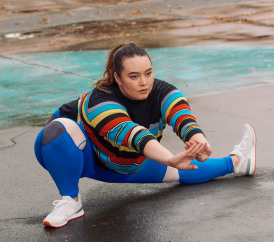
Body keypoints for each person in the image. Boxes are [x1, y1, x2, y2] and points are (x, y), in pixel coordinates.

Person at [34, 43, 256, 228]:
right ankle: (71, 201)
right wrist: (169, 158)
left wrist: (198, 140)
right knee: (60, 129)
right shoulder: (99, 100)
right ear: (117, 78)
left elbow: (183, 117)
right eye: (134, 76)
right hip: (81, 155)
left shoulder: (162, 91)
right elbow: (132, 134)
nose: (144, 82)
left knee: (185, 171)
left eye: (148, 73)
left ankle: (239, 161)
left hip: (127, 163)